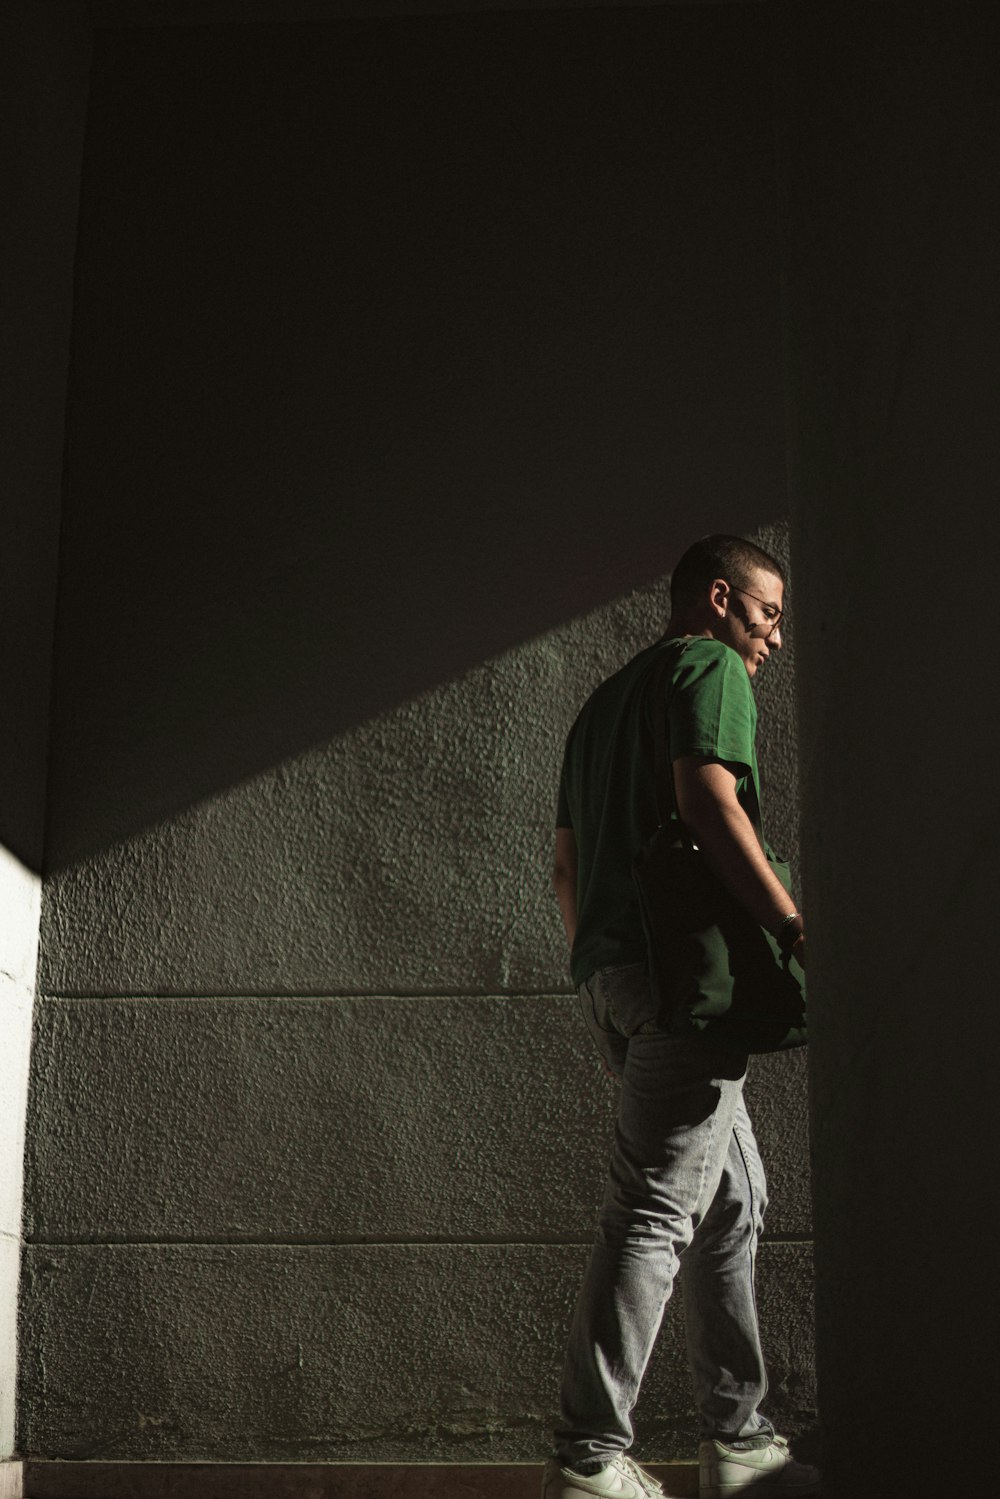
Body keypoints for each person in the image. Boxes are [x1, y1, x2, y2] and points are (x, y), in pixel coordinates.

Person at [542, 535, 819, 1499]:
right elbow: (709, 800)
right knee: (657, 1207)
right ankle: (587, 1458)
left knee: (732, 1200)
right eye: (768, 612)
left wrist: (603, 983)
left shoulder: (600, 706)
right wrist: (791, 921)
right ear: (720, 598)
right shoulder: (707, 665)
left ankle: (738, 1434)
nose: (773, 638)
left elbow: (566, 868)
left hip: (619, 976)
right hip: (683, 983)